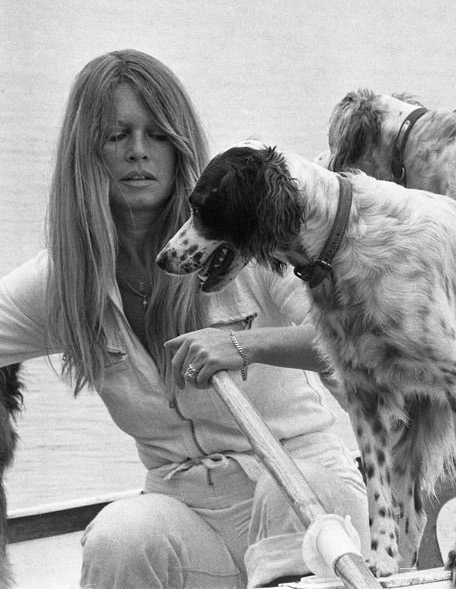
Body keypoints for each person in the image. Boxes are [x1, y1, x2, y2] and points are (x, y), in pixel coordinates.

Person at [0, 49, 369, 588]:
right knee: (117, 540)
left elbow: (356, 341)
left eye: (157, 135)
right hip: (185, 506)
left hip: (299, 483)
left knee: (306, 497)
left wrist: (248, 346)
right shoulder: (66, 281)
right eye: (116, 136)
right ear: (86, 154)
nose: (138, 153)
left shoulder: (246, 239)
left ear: (180, 146)